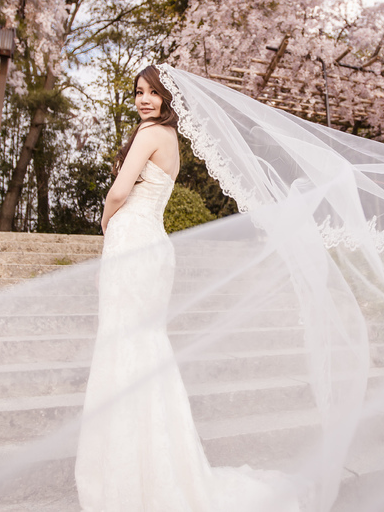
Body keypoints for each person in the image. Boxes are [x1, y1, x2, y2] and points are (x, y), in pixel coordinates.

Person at [73, 64, 300, 512]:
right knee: (143, 347)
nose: (144, 100)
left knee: (125, 348)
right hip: (151, 243)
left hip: (133, 239)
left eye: (152, 93)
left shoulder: (149, 135)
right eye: (138, 92)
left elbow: (119, 192)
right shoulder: (171, 141)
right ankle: (159, 468)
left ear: (167, 99)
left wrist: (104, 221)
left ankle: (133, 475)